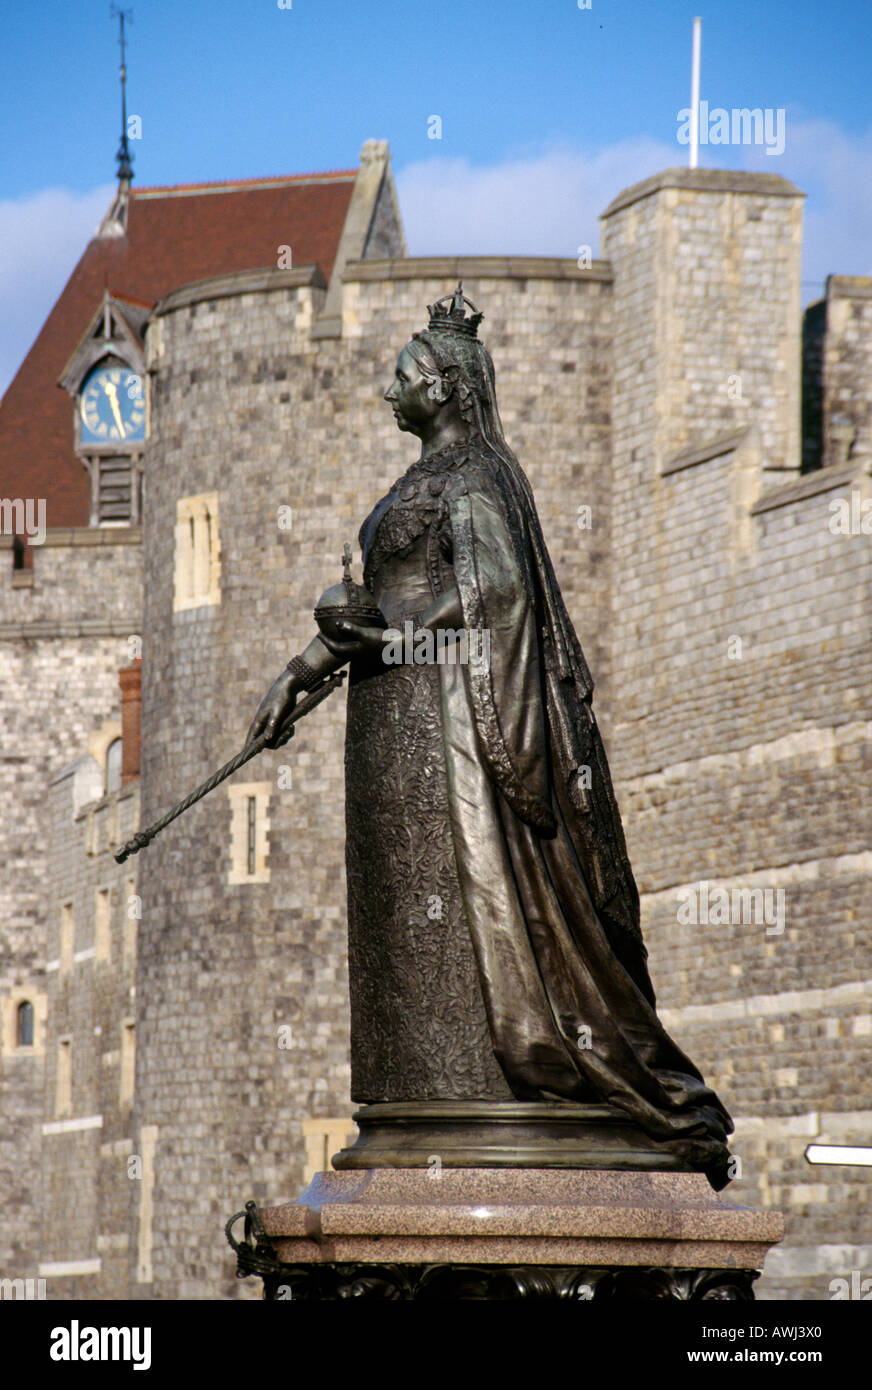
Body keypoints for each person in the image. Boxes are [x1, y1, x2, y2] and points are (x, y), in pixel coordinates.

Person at [247, 286, 733, 1188]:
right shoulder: (422, 481)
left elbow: (492, 599)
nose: (387, 392)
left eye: (403, 378)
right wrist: (301, 672)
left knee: (475, 906)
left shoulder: (475, 481)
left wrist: (392, 639)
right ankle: (417, 1101)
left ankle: (510, 1081)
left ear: (445, 388)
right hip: (392, 740)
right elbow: (385, 603)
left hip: (457, 739)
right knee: (406, 918)